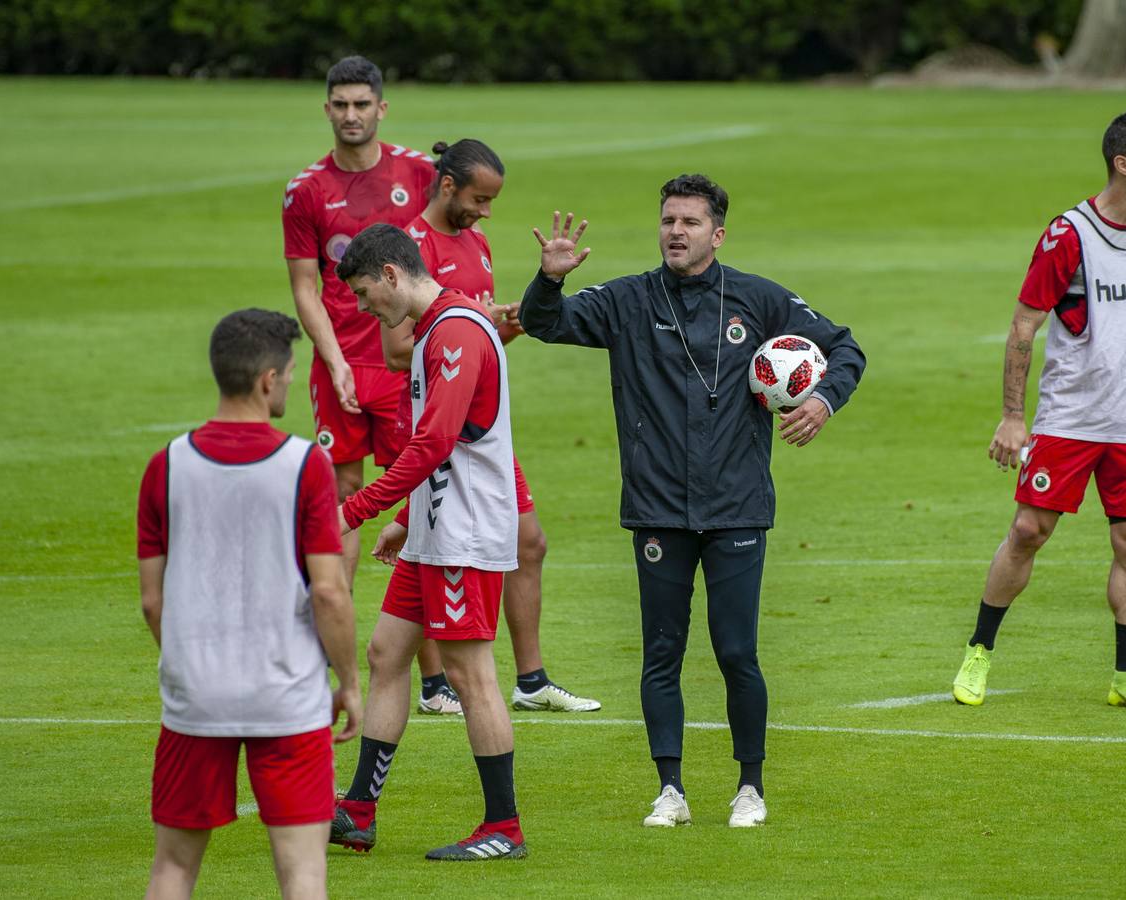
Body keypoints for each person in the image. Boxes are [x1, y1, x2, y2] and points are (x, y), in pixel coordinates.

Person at [518, 174, 865, 828]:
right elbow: (545, 323)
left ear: (717, 234)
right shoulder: (625, 300)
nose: (675, 231)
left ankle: (749, 789)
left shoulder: (759, 300)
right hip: (656, 509)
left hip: (736, 507)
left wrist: (821, 400)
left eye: (689, 222)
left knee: (737, 653)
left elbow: (843, 346)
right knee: (661, 653)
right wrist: (550, 279)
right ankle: (669, 791)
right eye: (667, 220)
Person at [949, 110, 1126, 714]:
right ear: (1123, 164)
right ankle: (979, 651)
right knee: (1030, 531)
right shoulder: (1069, 235)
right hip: (1071, 418)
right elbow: (1024, 325)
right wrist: (1012, 415)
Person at [136, 310, 361, 899]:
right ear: (267, 380)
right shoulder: (304, 465)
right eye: (288, 375)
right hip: (286, 698)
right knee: (302, 872)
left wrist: (191, 663)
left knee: (173, 869)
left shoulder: (165, 467)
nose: (290, 383)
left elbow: (153, 603)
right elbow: (330, 591)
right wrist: (350, 681)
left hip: (195, 700)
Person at [376, 138, 600, 712]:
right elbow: (400, 351)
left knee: (530, 541)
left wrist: (509, 324)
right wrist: (480, 321)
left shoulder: (476, 243)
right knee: (429, 550)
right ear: (447, 186)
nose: (486, 212)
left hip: (484, 430)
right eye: (480, 198)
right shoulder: (410, 247)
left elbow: (473, 341)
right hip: (436, 430)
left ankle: (530, 681)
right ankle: (434, 685)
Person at [329, 224, 526, 861]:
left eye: (364, 294)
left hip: (465, 536)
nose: (363, 309)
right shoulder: (433, 330)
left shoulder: (458, 332)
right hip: (436, 530)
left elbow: (436, 443)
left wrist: (355, 509)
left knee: (470, 675)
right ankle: (358, 810)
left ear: (391, 274)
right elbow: (444, 447)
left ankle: (504, 827)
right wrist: (409, 521)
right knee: (387, 653)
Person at [281, 56, 461, 715]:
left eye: (361, 104)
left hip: (406, 361)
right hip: (342, 368)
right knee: (345, 493)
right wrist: (333, 362)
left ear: (381, 107)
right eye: (339, 104)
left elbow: (438, 257)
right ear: (325, 109)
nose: (350, 115)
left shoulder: (417, 174)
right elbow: (305, 286)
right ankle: (336, 641)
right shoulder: (305, 192)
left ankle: (436, 678)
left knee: (419, 495)